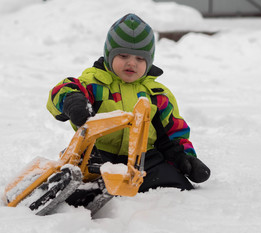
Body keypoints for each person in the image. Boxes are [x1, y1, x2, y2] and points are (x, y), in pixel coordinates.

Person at [46, 13, 210, 208]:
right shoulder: (94, 84)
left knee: (176, 183)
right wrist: (72, 100)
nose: (131, 63)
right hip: (98, 156)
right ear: (109, 54)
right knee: (79, 182)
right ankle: (69, 195)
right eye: (123, 56)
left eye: (140, 58)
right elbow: (62, 89)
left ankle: (163, 205)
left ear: (149, 62)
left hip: (144, 160)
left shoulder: (156, 94)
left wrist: (186, 158)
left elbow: (174, 131)